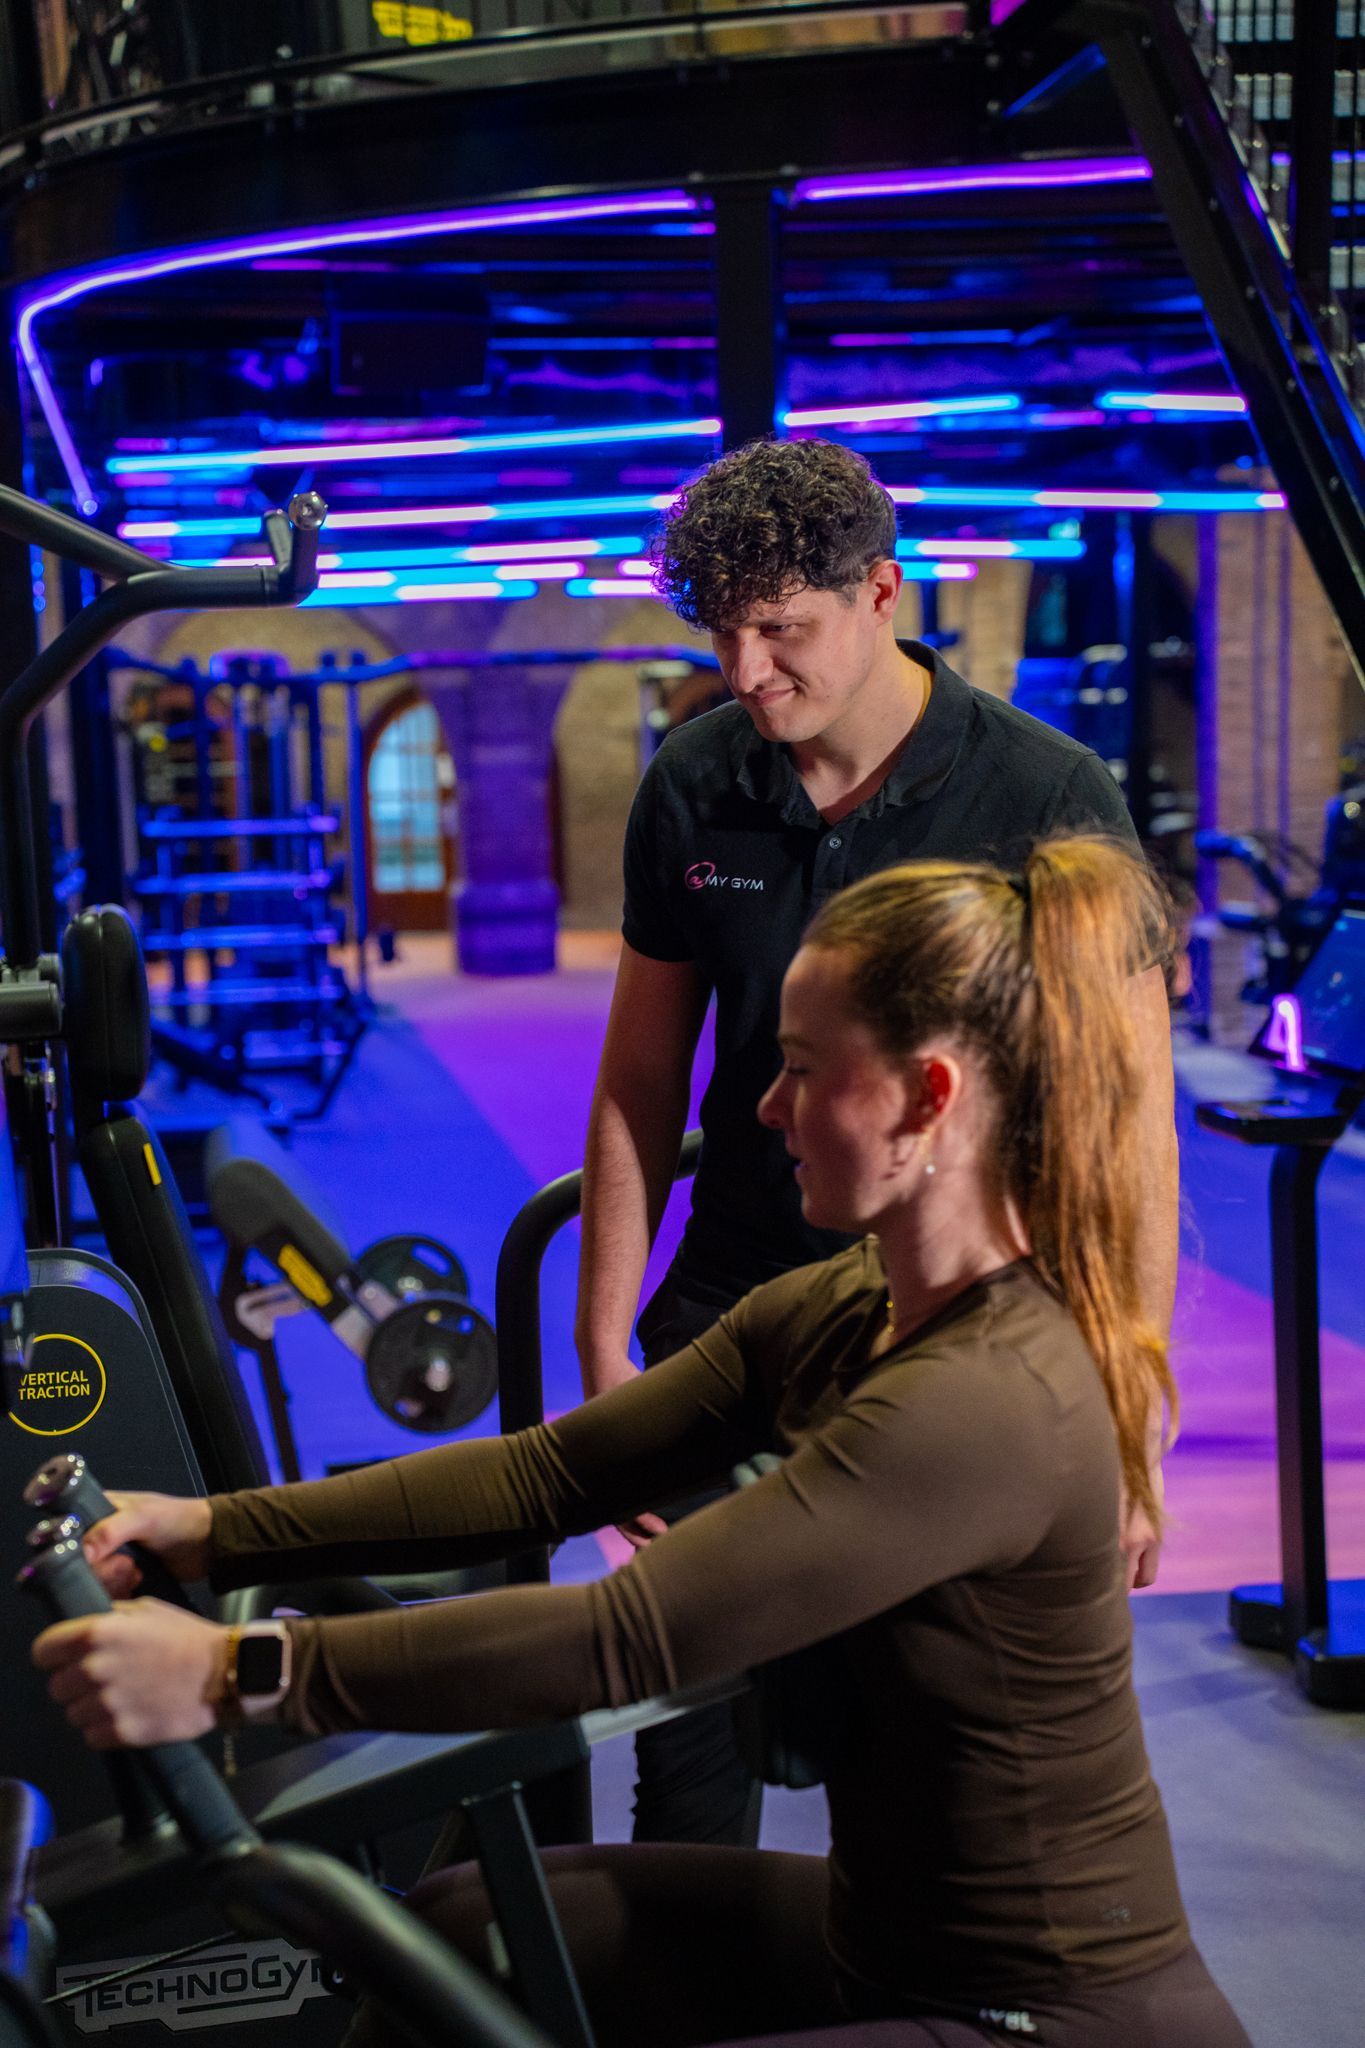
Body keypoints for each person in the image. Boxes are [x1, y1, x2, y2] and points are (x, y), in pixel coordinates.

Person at [34, 836, 1247, 2048]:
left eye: (805, 1070)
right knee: (463, 1930)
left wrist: (231, 1676)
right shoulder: (846, 1303)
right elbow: (553, 1470)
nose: (769, 1106)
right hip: (883, 1942)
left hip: (1038, 2010)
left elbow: (624, 1636)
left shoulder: (989, 1398)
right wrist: (212, 1531)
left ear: (927, 1098)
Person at [575, 435, 1178, 1843]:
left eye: (781, 631)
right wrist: (609, 1355)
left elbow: (1127, 1126)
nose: (744, 671)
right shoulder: (695, 785)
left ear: (883, 593)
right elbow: (636, 1085)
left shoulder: (1044, 797)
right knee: (690, 1761)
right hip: (734, 1316)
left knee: (920, 1770)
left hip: (954, 1330)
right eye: (721, 632)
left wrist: (1131, 1424)